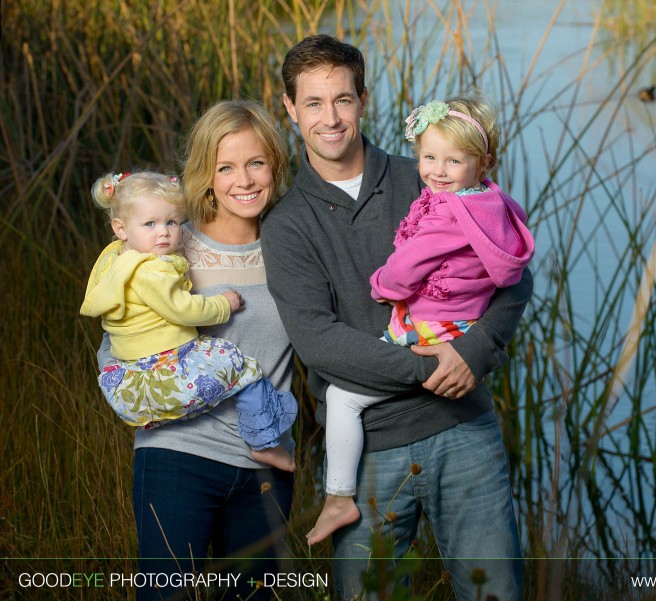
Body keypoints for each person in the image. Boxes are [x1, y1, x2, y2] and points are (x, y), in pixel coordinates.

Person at [262, 34, 531, 600]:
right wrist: (429, 365)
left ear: (363, 98)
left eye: (342, 99)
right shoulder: (287, 225)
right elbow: (318, 341)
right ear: (289, 109)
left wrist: (475, 353)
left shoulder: (431, 172)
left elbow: (512, 271)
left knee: (494, 593)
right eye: (312, 103)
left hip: (465, 433)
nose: (330, 118)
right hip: (368, 451)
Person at [306, 95, 535, 547]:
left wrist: (379, 285)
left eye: (453, 160)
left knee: (342, 398)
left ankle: (337, 498)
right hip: (458, 327)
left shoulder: (447, 209)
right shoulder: (490, 202)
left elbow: (404, 270)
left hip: (433, 335)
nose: (437, 170)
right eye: (429, 157)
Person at [94, 99, 296, 601]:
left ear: (275, 164)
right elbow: (117, 342)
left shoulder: (294, 248)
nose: (243, 180)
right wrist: (146, 397)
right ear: (206, 175)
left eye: (256, 163)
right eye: (225, 167)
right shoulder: (167, 243)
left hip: (267, 468)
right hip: (177, 457)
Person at [81, 170, 298, 473]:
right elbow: (183, 310)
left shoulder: (115, 261)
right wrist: (224, 304)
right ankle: (264, 442)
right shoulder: (153, 270)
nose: (164, 233)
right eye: (150, 224)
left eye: (171, 222)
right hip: (171, 356)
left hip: (135, 365)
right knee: (243, 369)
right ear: (121, 228)